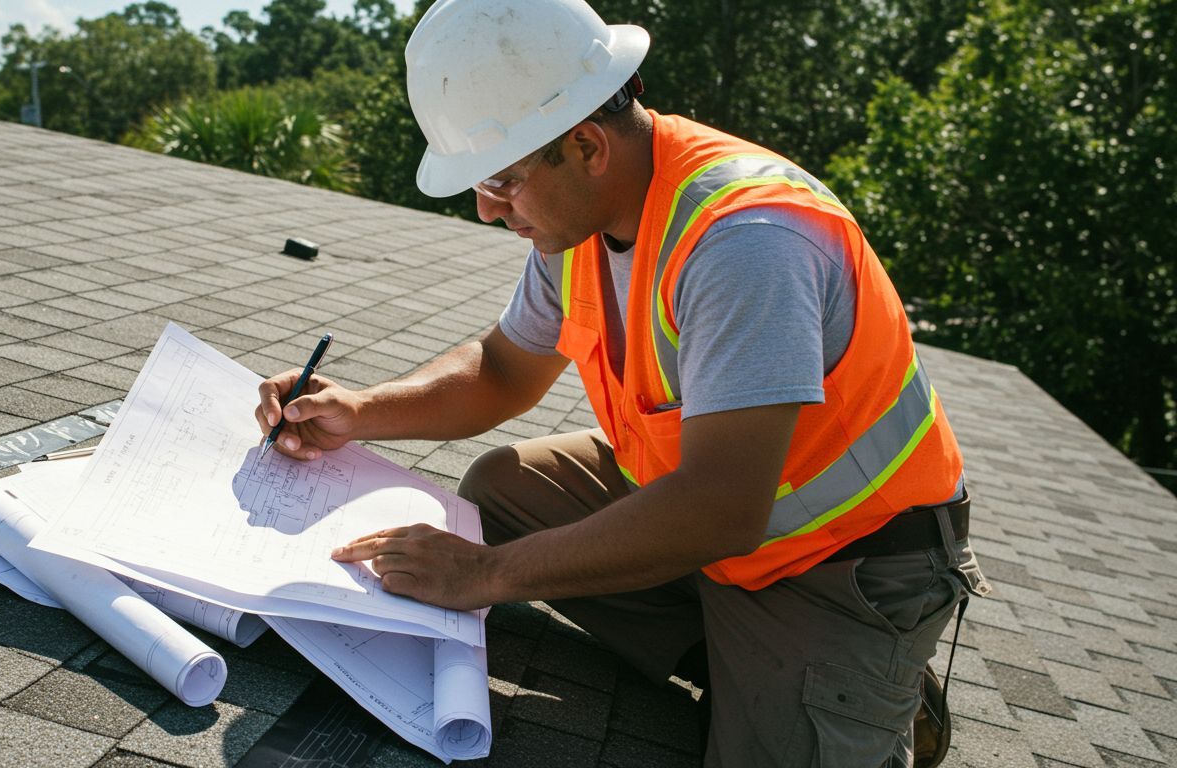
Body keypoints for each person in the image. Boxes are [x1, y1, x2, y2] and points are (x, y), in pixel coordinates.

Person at [255, 0, 988, 764]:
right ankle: (750, 665)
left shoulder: (746, 243)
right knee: (502, 489)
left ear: (586, 144)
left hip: (839, 563)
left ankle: (855, 683)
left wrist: (487, 575)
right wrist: (359, 410)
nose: (484, 209)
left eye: (501, 180)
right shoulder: (578, 222)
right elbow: (505, 368)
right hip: (705, 516)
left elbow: (722, 509)